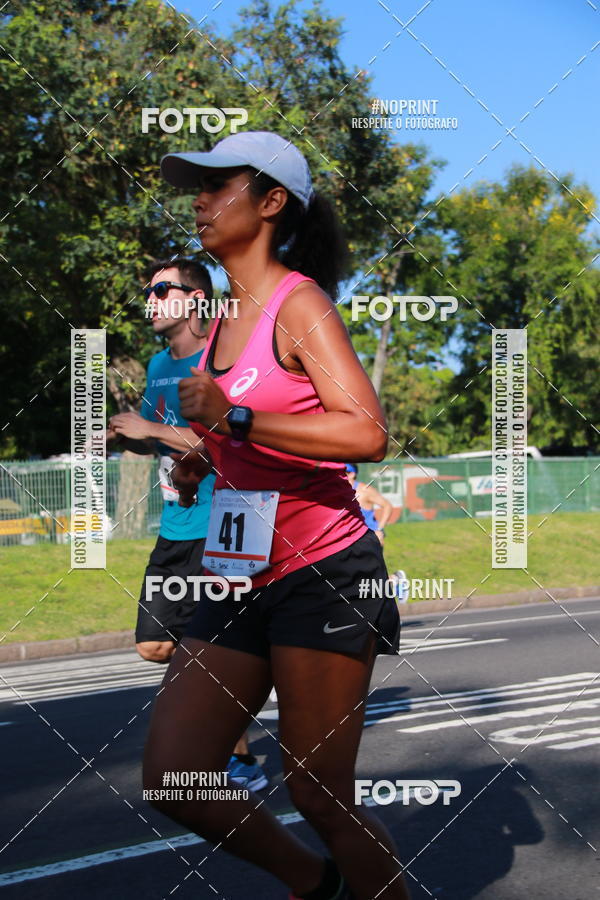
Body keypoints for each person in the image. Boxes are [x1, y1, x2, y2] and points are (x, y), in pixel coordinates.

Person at [143, 131, 410, 900]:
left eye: (217, 184)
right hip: (236, 576)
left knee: (320, 794)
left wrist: (234, 424)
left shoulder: (299, 304)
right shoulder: (222, 319)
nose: (198, 198)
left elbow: (367, 432)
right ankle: (313, 884)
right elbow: (238, 428)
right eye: (196, 185)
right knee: (175, 774)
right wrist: (204, 455)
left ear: (270, 202)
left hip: (323, 574)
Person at [108, 257, 266, 791]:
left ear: (196, 299)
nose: (149, 300)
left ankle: (231, 754)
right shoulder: (157, 366)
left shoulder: (221, 360)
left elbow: (222, 440)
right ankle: (235, 721)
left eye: (161, 290)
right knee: (155, 645)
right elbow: (157, 434)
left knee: (208, 645)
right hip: (176, 522)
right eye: (147, 292)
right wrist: (115, 434)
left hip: (224, 523)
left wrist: (147, 425)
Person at [345, 463, 393, 546]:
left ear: (352, 474)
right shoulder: (340, 492)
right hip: (349, 541)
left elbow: (387, 505)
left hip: (368, 540)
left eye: (342, 472)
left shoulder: (364, 490)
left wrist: (380, 530)